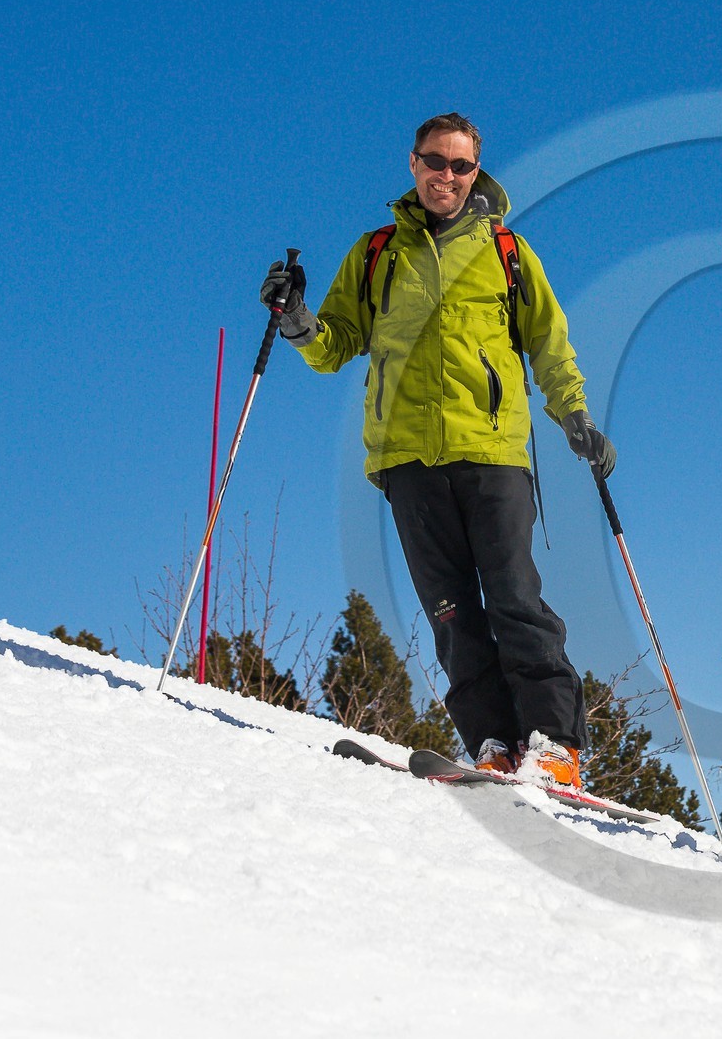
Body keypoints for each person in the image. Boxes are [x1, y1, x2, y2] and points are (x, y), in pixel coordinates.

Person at [258, 112, 614, 791]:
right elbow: (334, 346)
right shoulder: (376, 252)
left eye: (461, 165)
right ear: (413, 163)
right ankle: (493, 744)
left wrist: (574, 416)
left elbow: (549, 341)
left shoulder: (507, 251)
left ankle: (555, 746)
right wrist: (296, 319)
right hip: (406, 458)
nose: (446, 175)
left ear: (476, 172)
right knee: (451, 612)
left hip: (492, 450)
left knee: (514, 596)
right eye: (435, 161)